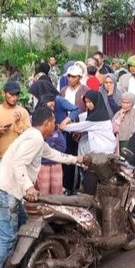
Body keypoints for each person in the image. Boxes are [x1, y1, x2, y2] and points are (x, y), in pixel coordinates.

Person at [0, 106, 84, 268]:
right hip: (6, 193)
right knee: (7, 237)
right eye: (53, 122)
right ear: (47, 123)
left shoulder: (35, 136)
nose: (55, 125)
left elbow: (53, 154)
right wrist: (28, 187)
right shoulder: (35, 138)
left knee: (23, 224)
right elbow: (18, 163)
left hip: (6, 191)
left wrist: (77, 159)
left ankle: (23, 259)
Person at [60, 90, 117, 194]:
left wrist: (64, 124)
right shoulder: (100, 116)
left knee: (90, 184)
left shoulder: (96, 120)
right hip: (101, 155)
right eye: (86, 102)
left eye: (90, 102)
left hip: (101, 157)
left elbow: (76, 127)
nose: (88, 105)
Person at [60, 64, 89, 194]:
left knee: (79, 158)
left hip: (80, 128)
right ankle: (66, 185)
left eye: (74, 77)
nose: (71, 79)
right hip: (65, 128)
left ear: (79, 77)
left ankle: (77, 186)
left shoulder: (85, 90)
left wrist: (80, 129)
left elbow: (87, 111)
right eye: (69, 76)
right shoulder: (63, 90)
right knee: (65, 156)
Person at [0, 81, 31, 168]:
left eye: (17, 95)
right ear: (3, 93)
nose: (14, 98)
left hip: (19, 157)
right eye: (11, 94)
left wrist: (19, 123)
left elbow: (29, 135)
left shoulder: (23, 112)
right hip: (1, 158)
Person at [35, 96, 66, 195]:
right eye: (50, 105)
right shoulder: (36, 130)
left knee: (57, 193)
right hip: (42, 165)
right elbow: (39, 149)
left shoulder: (56, 129)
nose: (52, 108)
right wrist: (52, 146)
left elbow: (63, 147)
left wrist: (50, 145)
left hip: (56, 164)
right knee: (43, 193)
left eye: (53, 106)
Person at [112, 92, 135, 157]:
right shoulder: (117, 115)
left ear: (132, 103)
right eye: (123, 102)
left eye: (128, 103)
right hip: (119, 144)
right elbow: (112, 129)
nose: (125, 105)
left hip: (132, 144)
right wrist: (120, 118)